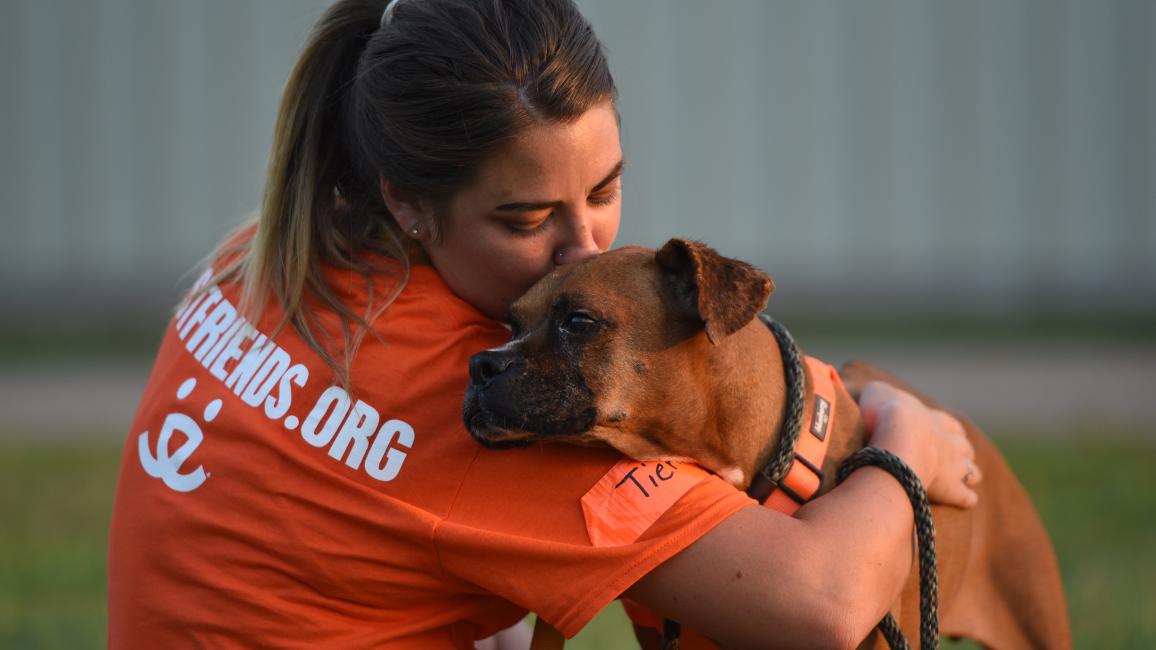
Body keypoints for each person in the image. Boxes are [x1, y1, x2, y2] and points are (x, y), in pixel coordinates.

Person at [107, 0, 981, 648]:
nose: (585, 247)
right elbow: (819, 605)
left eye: (603, 191)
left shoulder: (265, 250)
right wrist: (906, 443)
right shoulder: (467, 396)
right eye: (527, 220)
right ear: (407, 201)